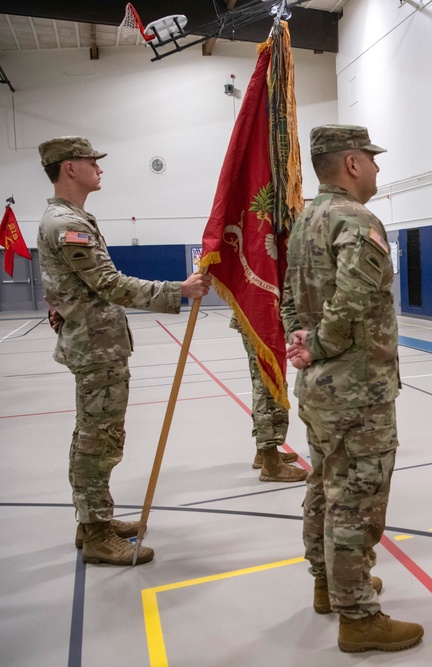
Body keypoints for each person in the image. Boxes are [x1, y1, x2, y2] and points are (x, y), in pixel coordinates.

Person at [35, 136, 211, 565]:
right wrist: (179, 290)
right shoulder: (66, 224)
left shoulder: (73, 218)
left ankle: (93, 519)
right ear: (69, 168)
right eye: (90, 161)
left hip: (98, 344)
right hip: (96, 349)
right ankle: (96, 533)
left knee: (94, 436)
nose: (99, 167)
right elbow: (109, 284)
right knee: (100, 440)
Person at [280, 125, 423, 653]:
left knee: (324, 484)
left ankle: (329, 584)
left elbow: (289, 299)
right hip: (356, 387)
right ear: (352, 164)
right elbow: (352, 301)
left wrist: (303, 343)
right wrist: (319, 343)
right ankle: (358, 616)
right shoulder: (356, 220)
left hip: (318, 387)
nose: (378, 168)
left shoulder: (304, 221)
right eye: (371, 158)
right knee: (356, 500)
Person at [230, 316, 307, 482]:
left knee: (268, 381)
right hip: (258, 318)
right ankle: (270, 463)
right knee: (266, 385)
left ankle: (263, 453)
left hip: (260, 316)